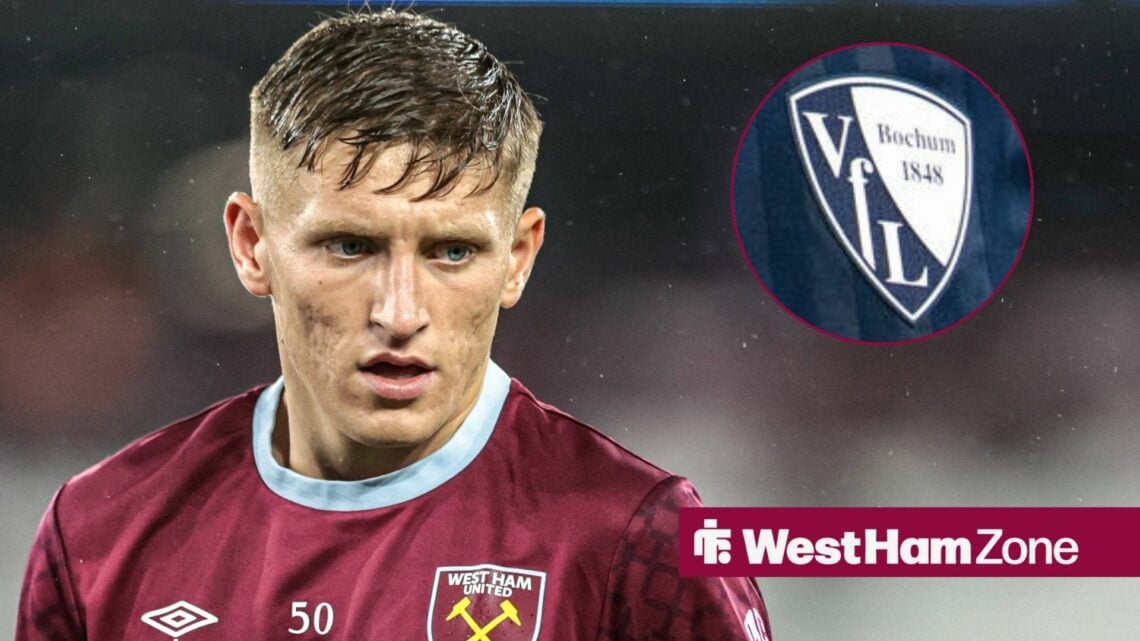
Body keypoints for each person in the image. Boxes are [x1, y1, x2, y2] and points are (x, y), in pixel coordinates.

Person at [16, 10, 772, 640]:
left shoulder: (637, 540)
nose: (400, 312)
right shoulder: (99, 532)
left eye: (452, 250)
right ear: (252, 245)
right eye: (350, 245)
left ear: (517, 259)